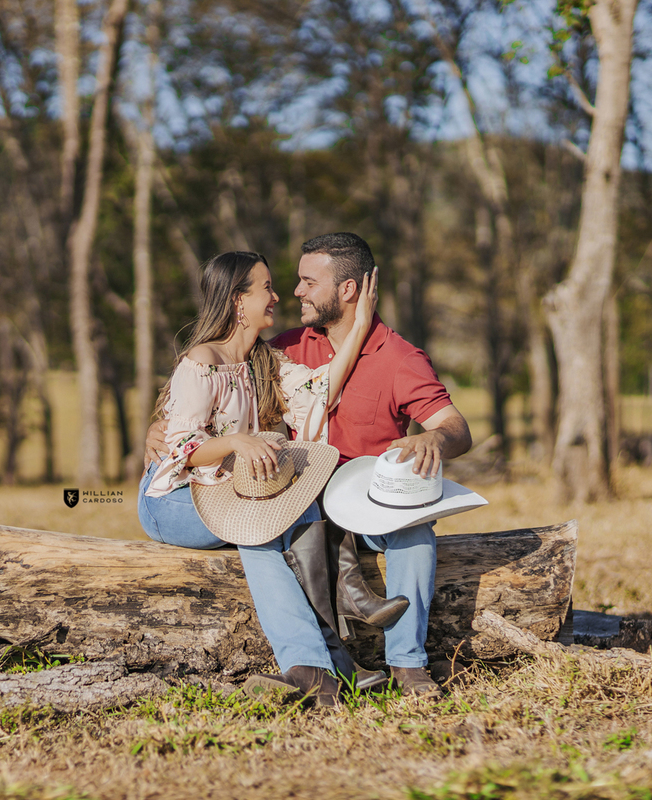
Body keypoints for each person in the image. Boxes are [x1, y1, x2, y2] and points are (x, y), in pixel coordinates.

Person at [147, 233, 472, 699]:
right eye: (282, 284)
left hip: (365, 497)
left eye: (306, 281)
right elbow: (194, 405)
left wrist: (435, 437)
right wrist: (155, 433)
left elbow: (456, 427)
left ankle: (407, 665)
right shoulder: (287, 346)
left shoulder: (400, 359)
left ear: (347, 291)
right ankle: (327, 662)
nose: (293, 292)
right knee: (269, 525)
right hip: (295, 492)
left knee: (415, 531)